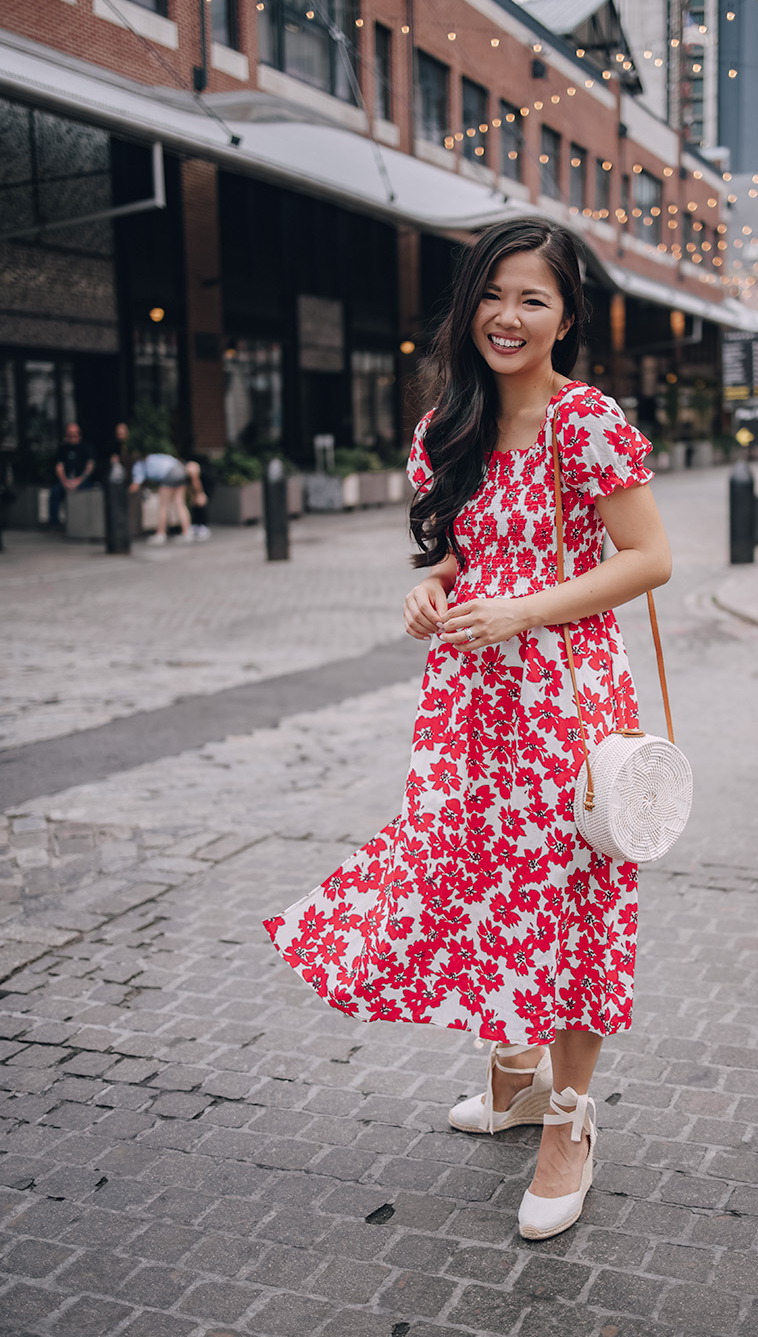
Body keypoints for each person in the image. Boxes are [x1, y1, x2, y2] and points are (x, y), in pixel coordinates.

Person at [264, 219, 672, 1242]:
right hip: (469, 702)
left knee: (572, 901)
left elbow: (651, 557)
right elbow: (456, 551)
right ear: (466, 307)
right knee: (472, 875)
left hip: (567, 701)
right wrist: (431, 585)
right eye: (492, 294)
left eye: (533, 298)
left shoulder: (587, 422)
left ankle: (569, 1121)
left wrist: (527, 609)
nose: (508, 315)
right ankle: (514, 1073)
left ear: (567, 317)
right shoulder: (447, 425)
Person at [129, 452, 195, 544]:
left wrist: (125, 494)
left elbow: (136, 484)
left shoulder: (138, 465)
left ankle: (161, 534)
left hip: (169, 474)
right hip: (180, 469)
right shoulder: (152, 457)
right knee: (180, 503)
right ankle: (187, 532)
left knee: (163, 506)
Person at [49, 421, 95, 527]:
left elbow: (90, 467)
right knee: (55, 492)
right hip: (66, 480)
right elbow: (59, 467)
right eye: (69, 436)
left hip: (82, 480)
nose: (72, 438)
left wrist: (78, 481)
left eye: (74, 435)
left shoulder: (86, 447)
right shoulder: (63, 448)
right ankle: (54, 523)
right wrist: (65, 482)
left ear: (79, 435)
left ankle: (79, 524)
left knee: (84, 492)